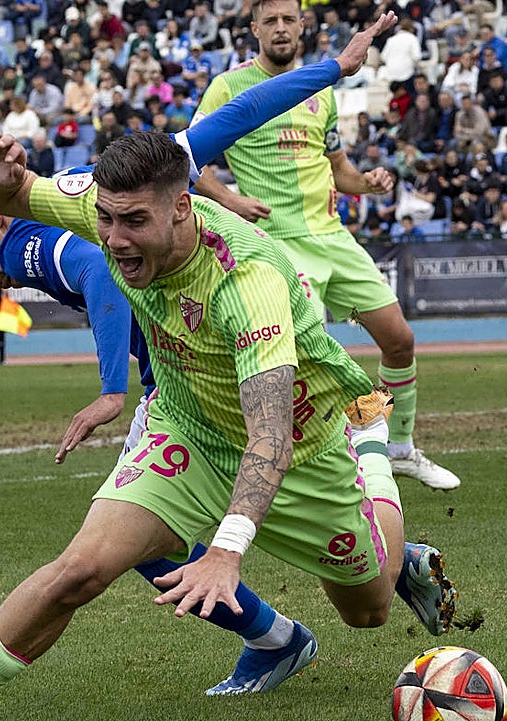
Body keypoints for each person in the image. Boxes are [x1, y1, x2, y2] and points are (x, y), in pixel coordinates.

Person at [0, 12, 458, 721]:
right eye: (105, 221)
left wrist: (228, 554)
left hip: (299, 448)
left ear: (185, 207)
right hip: (187, 433)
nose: (116, 239)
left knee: (368, 609)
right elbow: (3, 193)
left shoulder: (247, 282)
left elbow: (268, 435)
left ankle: (371, 448)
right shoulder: (106, 208)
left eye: (134, 222)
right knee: (79, 570)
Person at [194, 0, 461, 491]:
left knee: (400, 340)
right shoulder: (228, 87)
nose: (279, 28)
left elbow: (340, 170)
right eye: (269, 21)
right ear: (253, 28)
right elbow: (190, 157)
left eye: (287, 20)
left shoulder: (322, 92)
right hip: (277, 245)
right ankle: (335, 461)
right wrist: (230, 200)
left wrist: (370, 183)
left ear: (302, 26)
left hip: (333, 238)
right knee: (309, 358)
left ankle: (399, 449)